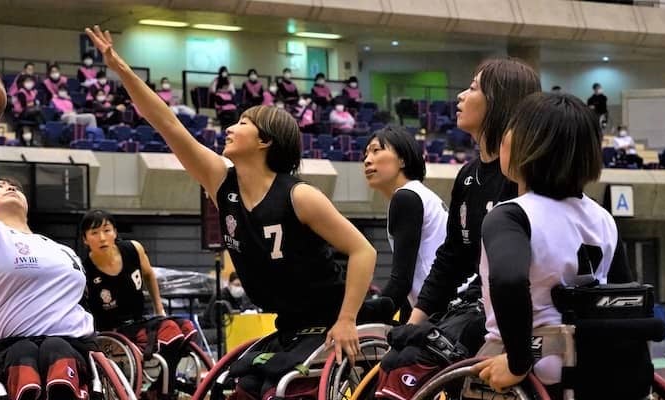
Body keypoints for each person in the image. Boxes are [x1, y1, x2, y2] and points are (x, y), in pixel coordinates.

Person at [86, 25, 376, 397]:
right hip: (287, 324)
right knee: (235, 389)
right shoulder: (221, 182)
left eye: (242, 123)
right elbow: (167, 123)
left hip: (328, 320)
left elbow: (363, 250)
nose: (229, 128)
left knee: (278, 389)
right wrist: (121, 69)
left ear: (265, 140)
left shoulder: (300, 196)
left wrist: (347, 319)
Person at [375, 59, 542, 399]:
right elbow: (451, 259)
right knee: (395, 356)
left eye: (473, 88)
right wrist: (414, 321)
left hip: (510, 309)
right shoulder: (467, 176)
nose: (461, 96)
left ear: (499, 101)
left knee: (411, 363)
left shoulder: (525, 177)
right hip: (469, 303)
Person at [472, 92, 637, 397]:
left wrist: (517, 362)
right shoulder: (603, 218)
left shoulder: (511, 215)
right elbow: (626, 301)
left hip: (533, 364)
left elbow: (508, 281)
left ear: (530, 145)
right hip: (596, 363)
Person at [0, 124, 95, 399]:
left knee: (56, 347)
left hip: (74, 347)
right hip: (9, 351)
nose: (9, 187)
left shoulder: (63, 250)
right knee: (26, 351)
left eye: (15, 187)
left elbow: (84, 302)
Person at [80, 209, 195, 399]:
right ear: (85, 239)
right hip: (112, 330)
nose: (102, 237)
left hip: (139, 321)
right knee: (172, 333)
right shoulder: (85, 270)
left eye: (107, 230)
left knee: (187, 328)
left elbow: (149, 275)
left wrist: (159, 308)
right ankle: (163, 392)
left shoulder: (133, 249)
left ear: (115, 232)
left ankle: (158, 388)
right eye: (94, 233)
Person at [362, 126, 447, 319]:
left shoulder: (406, 198)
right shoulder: (419, 194)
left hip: (445, 309)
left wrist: (356, 317)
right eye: (366, 154)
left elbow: (401, 282)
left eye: (376, 150)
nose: (367, 160)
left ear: (402, 160)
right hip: (443, 303)